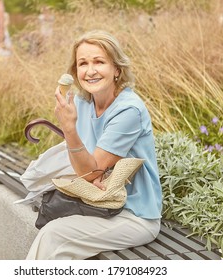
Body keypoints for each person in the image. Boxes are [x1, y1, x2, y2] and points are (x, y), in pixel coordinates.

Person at [26, 30, 163, 260]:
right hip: (98, 204)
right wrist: (91, 171)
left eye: (99, 62)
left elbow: (90, 171)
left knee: (53, 236)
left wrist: (70, 129)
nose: (90, 71)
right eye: (83, 63)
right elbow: (89, 169)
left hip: (134, 215)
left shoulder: (128, 110)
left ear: (116, 69)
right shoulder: (82, 102)